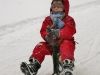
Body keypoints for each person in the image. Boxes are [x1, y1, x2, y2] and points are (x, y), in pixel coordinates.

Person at [20, 0, 76, 75]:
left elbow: (69, 30)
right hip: (51, 44)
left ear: (64, 8)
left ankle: (67, 66)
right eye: (54, 7)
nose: (56, 8)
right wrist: (47, 36)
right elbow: (43, 30)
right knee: (40, 46)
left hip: (65, 42)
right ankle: (33, 66)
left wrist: (58, 33)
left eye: (59, 6)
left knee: (66, 45)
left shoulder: (69, 19)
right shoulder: (48, 19)